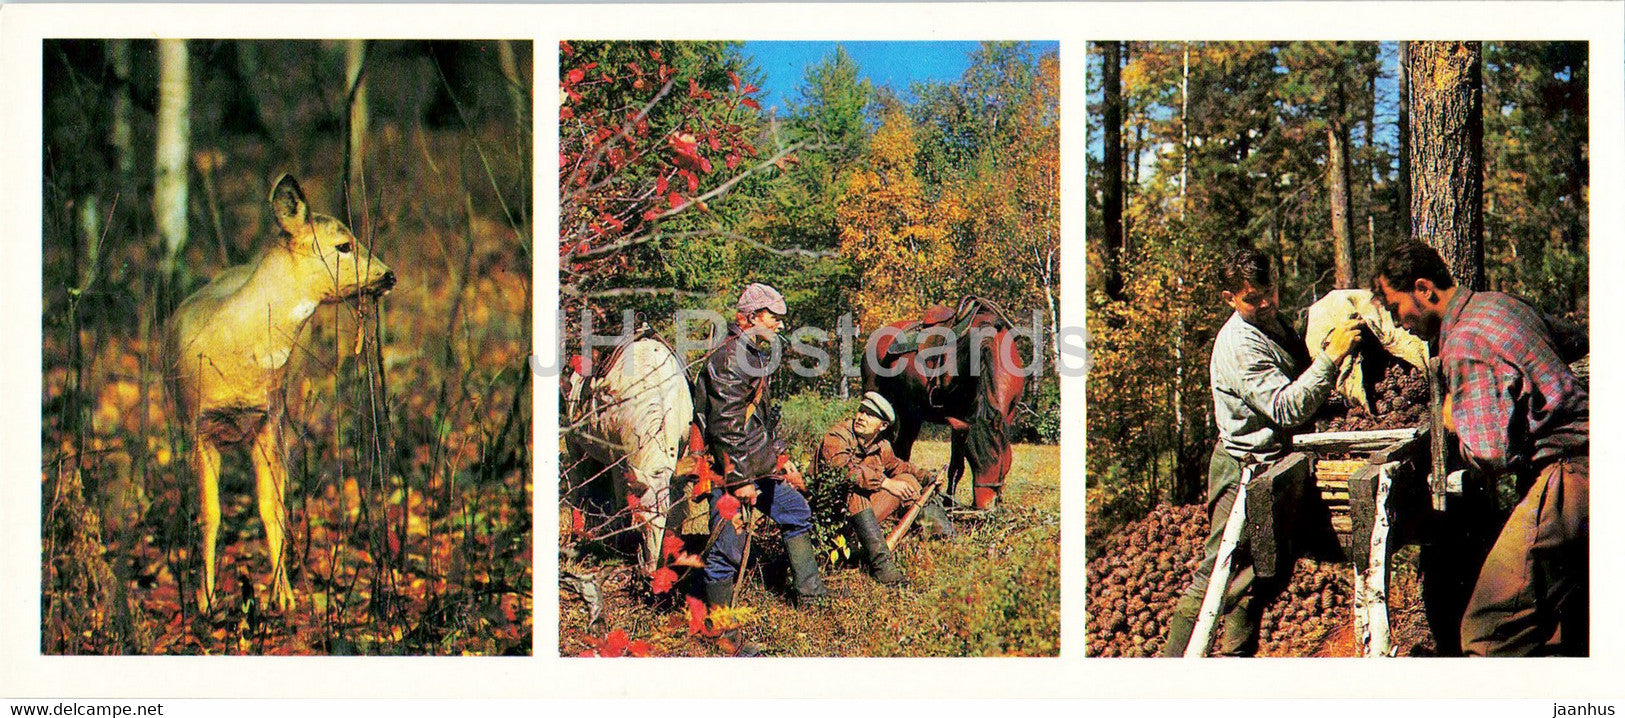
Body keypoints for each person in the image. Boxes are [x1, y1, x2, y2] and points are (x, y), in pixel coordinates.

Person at [1372, 240, 1588, 656]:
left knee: (1490, 633)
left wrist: (1454, 418)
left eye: (1397, 307)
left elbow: (1491, 453)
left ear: (1424, 289)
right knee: (1560, 627)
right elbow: (1576, 340)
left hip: (1570, 476)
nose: (1399, 323)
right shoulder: (1499, 304)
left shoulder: (1463, 342)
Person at [1160, 247, 1363, 657]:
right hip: (1244, 468)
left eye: (1269, 290)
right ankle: (1170, 668)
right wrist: (1330, 358)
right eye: (1252, 298)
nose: (1266, 302)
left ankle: (1236, 660)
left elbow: (1296, 385)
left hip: (1279, 464)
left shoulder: (1275, 322)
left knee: (1260, 576)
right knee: (1218, 574)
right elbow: (1285, 408)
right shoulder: (1240, 344)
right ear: (1230, 299)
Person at [692, 283, 824, 654]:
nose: (780, 325)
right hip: (729, 470)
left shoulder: (750, 353)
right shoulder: (731, 357)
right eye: (774, 317)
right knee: (725, 550)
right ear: (751, 317)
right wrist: (740, 481)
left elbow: (758, 420)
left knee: (796, 511)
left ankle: (812, 599)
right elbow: (724, 427)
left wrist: (780, 458)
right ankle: (723, 636)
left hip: (754, 464)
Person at [818, 392, 954, 585]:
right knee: (855, 491)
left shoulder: (881, 446)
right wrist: (886, 483)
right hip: (829, 517)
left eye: (870, 415)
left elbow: (900, 466)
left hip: (860, 519)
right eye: (861, 411)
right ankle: (881, 566)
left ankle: (943, 536)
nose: (861, 417)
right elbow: (845, 471)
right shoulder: (838, 436)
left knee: (907, 481)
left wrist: (928, 477)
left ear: (882, 426)